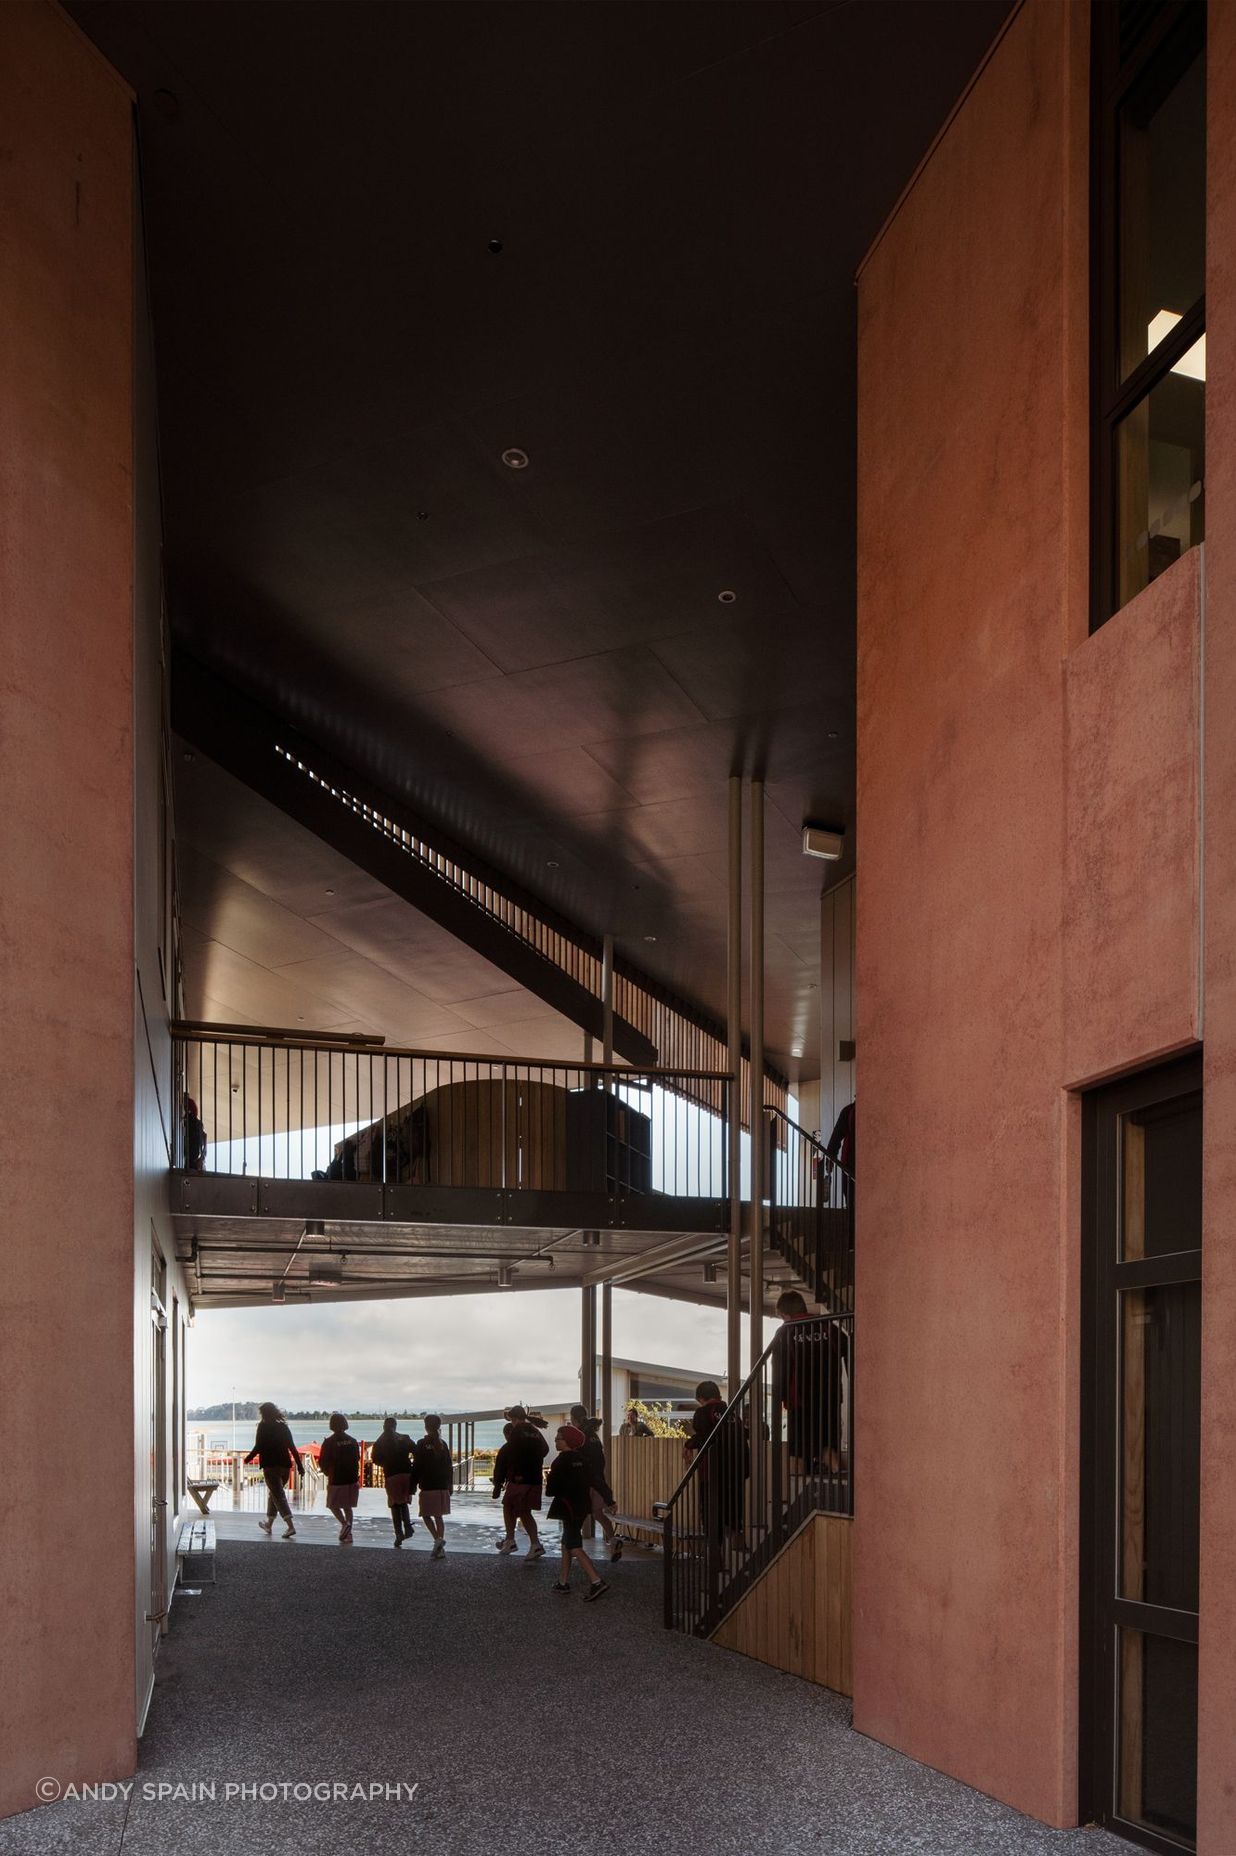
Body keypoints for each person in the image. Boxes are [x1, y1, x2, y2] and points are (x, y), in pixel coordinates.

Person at [774, 1290, 849, 1476]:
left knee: (798, 1450)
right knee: (826, 1443)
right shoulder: (826, 1327)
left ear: (784, 1314)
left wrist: (780, 1396)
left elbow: (780, 1368)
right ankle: (836, 1476)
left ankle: (797, 1490)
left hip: (800, 1401)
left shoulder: (786, 1331)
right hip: (829, 1400)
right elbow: (848, 1346)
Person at [545, 1424, 608, 1600]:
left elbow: (550, 1490)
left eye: (559, 1438)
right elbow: (594, 1480)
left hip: (567, 1507)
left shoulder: (560, 1461)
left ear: (567, 1442)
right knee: (567, 1541)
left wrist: (550, 1477)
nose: (556, 1440)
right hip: (581, 1506)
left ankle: (596, 1581)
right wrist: (609, 1499)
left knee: (573, 1545)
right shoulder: (582, 1459)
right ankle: (563, 1582)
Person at [685, 1379, 747, 1546]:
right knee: (734, 1512)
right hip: (736, 1472)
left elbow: (703, 1437)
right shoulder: (733, 1414)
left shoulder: (702, 1413)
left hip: (713, 1472)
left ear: (701, 1398)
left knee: (712, 1516)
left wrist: (688, 1445)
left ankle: (716, 1558)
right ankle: (738, 1546)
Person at [243, 1401, 303, 1539]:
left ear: (263, 1414)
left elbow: (258, 1446)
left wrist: (248, 1458)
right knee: (274, 1494)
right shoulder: (283, 1427)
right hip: (285, 1467)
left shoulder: (263, 1427)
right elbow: (292, 1448)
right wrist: (300, 1466)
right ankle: (269, 1524)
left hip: (270, 1467)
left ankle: (290, 1526)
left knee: (278, 1496)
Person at [491, 1419, 548, 1559]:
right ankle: (533, 1544)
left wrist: (497, 1486)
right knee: (524, 1511)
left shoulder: (509, 1447)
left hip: (518, 1480)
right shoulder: (533, 1442)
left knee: (508, 1506)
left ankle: (511, 1541)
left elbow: (500, 1468)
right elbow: (545, 1449)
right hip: (535, 1479)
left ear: (508, 1434)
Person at [571, 1405, 621, 1561]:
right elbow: (601, 1461)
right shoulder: (594, 1436)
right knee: (598, 1514)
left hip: (586, 1482)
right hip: (598, 1481)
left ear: (573, 1419)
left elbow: (578, 1460)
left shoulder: (580, 1436)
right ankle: (613, 1541)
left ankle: (572, 1546)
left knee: (576, 1516)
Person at [370, 1416, 416, 1546]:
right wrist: (411, 1464)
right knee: (403, 1502)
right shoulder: (404, 1438)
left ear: (384, 1426)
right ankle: (407, 1526)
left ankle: (399, 1533)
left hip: (391, 1475)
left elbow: (375, 1459)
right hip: (407, 1473)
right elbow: (416, 1450)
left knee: (395, 1504)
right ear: (395, 1426)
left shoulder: (380, 1441)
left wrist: (386, 1463)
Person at [414, 1414, 453, 1559]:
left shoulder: (421, 1444)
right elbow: (449, 1466)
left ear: (426, 1426)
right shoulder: (442, 1444)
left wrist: (413, 1485)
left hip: (428, 1485)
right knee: (439, 1516)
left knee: (425, 1515)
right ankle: (439, 1546)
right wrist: (450, 1485)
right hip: (442, 1485)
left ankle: (437, 1540)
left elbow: (417, 1466)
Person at [318, 1413, 361, 1543]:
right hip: (352, 1478)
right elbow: (357, 1458)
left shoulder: (329, 1442)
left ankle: (344, 1524)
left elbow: (323, 1461)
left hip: (336, 1477)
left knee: (332, 1504)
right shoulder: (353, 1441)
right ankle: (349, 1534)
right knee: (348, 1507)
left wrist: (327, 1472)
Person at [182, 1094, 208, 1171]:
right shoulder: (197, 1122)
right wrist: (203, 1154)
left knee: (189, 1167)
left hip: (192, 1149)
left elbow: (204, 1136)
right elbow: (204, 1136)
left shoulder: (190, 1120)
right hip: (194, 1150)